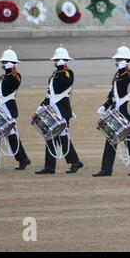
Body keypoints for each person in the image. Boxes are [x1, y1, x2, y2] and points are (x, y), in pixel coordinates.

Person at [93, 45, 130, 177]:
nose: (116, 60)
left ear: (125, 59)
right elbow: (113, 93)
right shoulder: (118, 74)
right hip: (116, 110)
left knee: (125, 139)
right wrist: (105, 105)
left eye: (118, 58)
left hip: (126, 111)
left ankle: (108, 169)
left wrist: (124, 69)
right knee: (116, 138)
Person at [35, 46, 84, 175]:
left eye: (57, 60)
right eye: (55, 60)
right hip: (52, 110)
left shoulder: (67, 73)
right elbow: (49, 93)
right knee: (50, 137)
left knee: (63, 138)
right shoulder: (55, 74)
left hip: (62, 111)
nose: (55, 62)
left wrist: (63, 67)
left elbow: (66, 83)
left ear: (63, 60)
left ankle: (75, 161)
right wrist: (42, 105)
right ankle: (50, 166)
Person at [0, 48, 30, 171]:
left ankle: (23, 159)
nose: (3, 64)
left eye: (5, 62)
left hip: (8, 110)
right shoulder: (4, 77)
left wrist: (10, 69)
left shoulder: (15, 75)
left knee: (11, 135)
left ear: (12, 62)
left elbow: (12, 85)